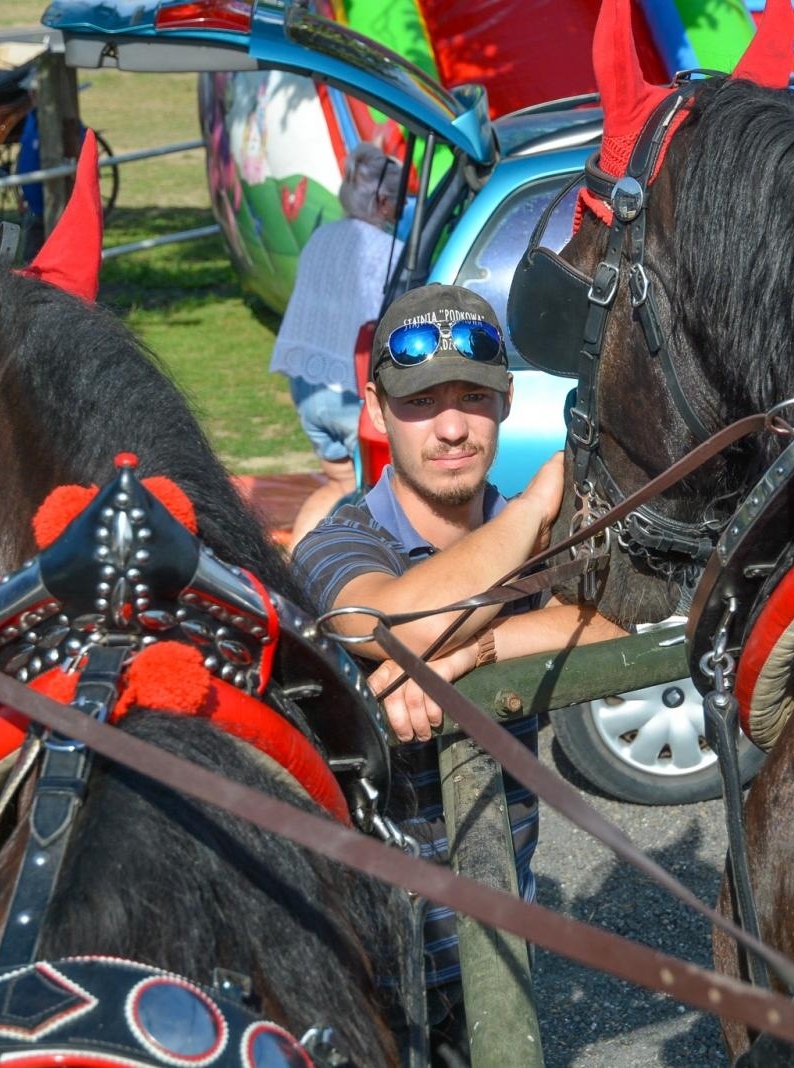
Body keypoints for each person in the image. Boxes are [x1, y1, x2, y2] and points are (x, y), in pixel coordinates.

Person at [292, 284, 624, 1054]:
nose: (450, 427)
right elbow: (394, 618)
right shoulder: (335, 541)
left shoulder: (527, 542)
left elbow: (611, 621)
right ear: (376, 412)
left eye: (473, 397)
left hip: (499, 942)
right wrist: (535, 510)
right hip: (364, 968)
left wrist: (469, 658)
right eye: (420, 401)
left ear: (505, 404)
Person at [271, 143, 403, 547]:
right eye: (398, 201)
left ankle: (297, 564)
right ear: (383, 202)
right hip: (352, 390)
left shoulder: (321, 238)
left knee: (338, 482)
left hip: (307, 386)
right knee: (374, 492)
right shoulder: (387, 251)